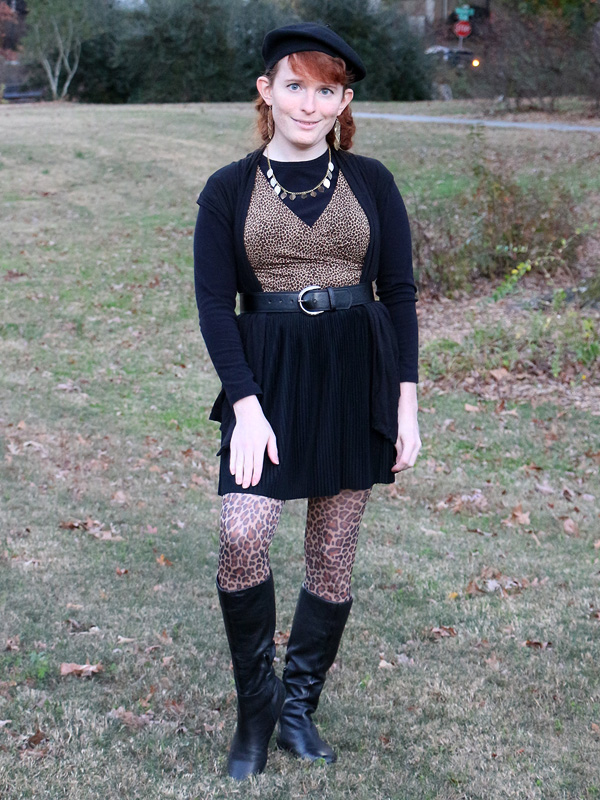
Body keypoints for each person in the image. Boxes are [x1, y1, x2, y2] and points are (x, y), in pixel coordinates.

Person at [193, 22, 421, 780]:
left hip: (357, 370)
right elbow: (214, 306)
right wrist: (245, 405)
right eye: (295, 85)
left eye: (327, 90)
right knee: (242, 530)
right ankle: (255, 711)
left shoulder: (372, 181)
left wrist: (406, 405)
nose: (309, 104)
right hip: (267, 376)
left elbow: (400, 294)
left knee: (331, 552)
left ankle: (297, 708)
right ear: (267, 91)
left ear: (343, 102)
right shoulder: (228, 188)